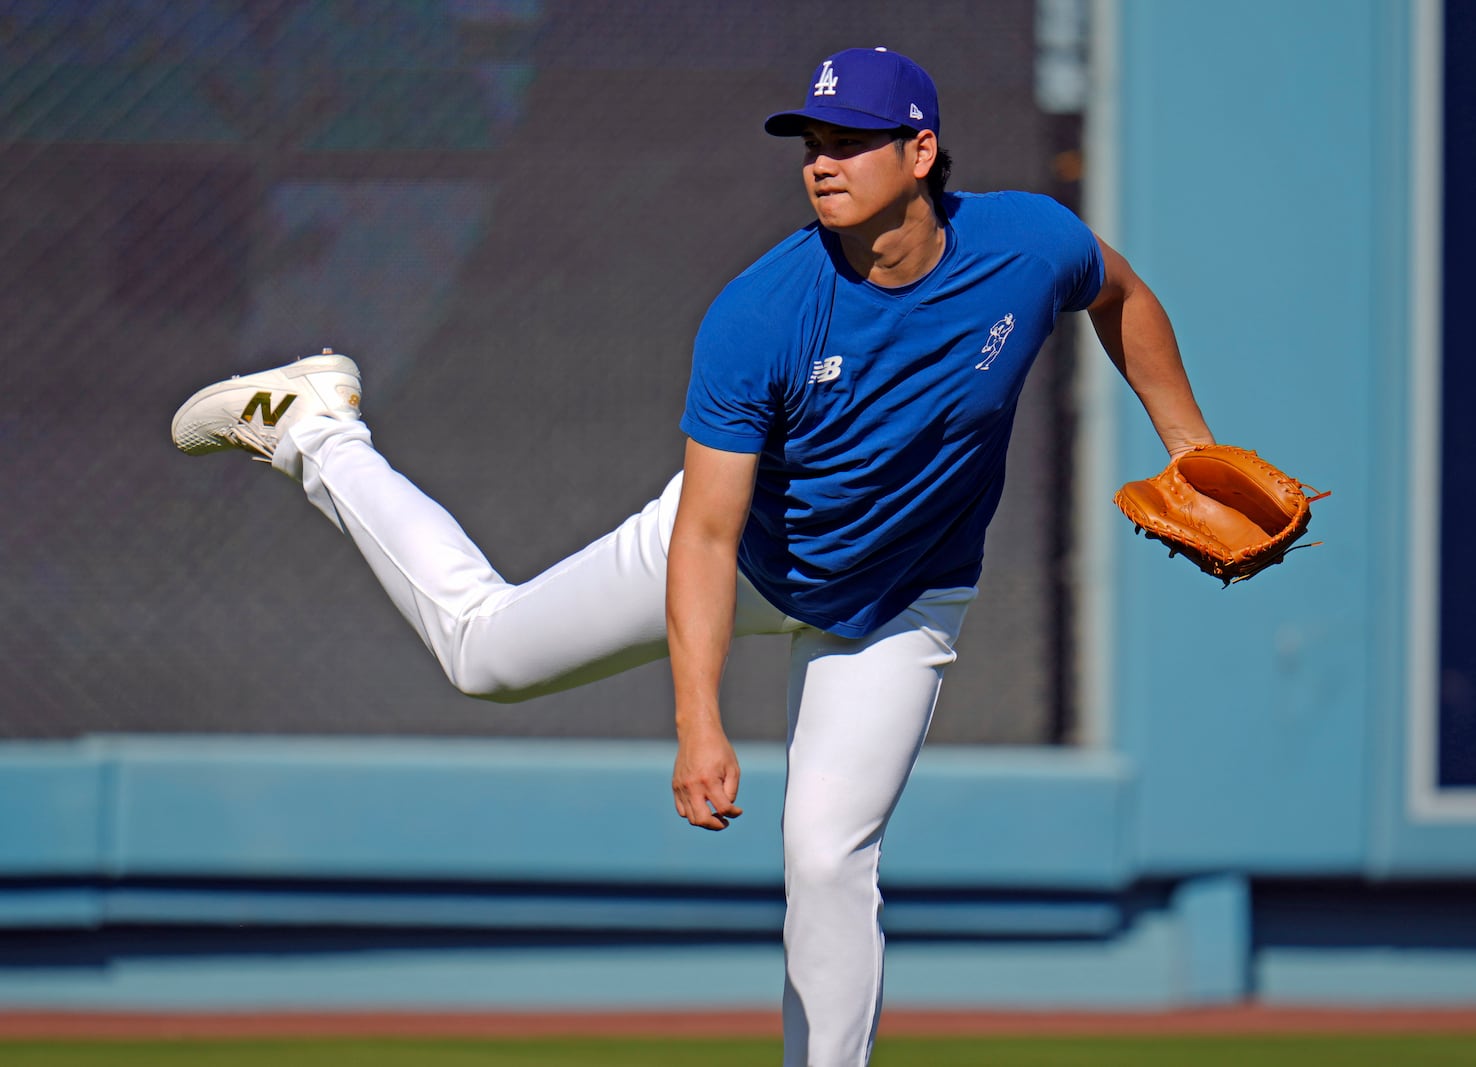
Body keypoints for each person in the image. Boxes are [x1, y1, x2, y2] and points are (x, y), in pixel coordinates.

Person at [172, 46, 1213, 1067]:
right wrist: (700, 723)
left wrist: (1191, 451)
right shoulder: (761, 313)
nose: (822, 160)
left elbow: (1119, 296)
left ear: (922, 152)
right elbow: (707, 535)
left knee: (827, 854)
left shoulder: (1029, 243)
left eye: (852, 140)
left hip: (900, 600)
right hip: (742, 556)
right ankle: (316, 429)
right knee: (482, 655)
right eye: (812, 140)